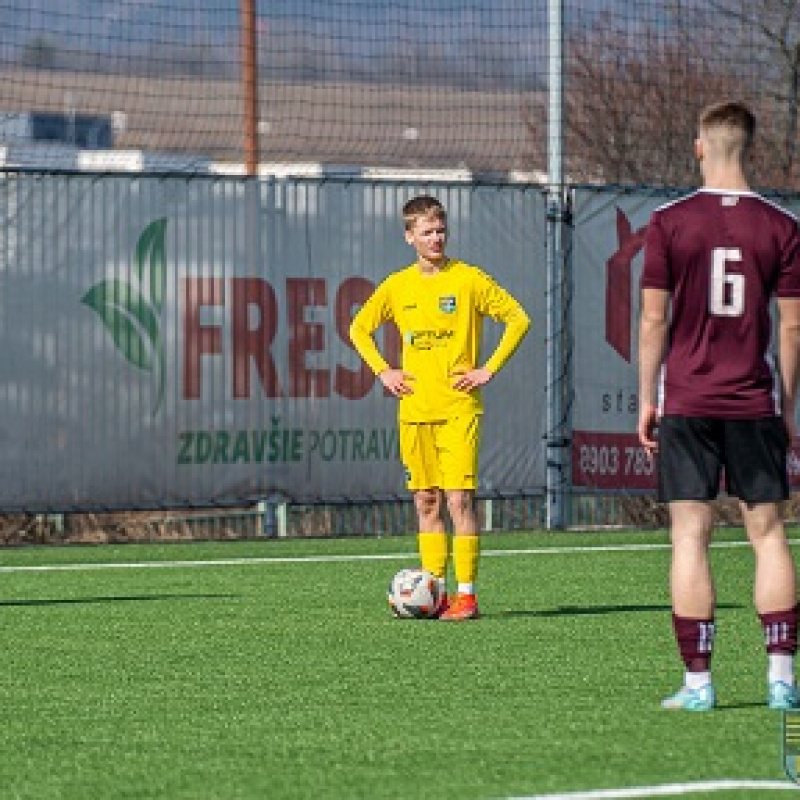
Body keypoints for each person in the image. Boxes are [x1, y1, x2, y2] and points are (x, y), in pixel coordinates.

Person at [638, 100, 800, 710]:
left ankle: (700, 685)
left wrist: (648, 398)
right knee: (768, 533)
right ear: (749, 148)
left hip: (687, 398)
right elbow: (791, 330)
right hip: (754, 401)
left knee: (689, 536)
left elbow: (653, 319)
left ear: (699, 146)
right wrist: (786, 408)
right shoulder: (781, 226)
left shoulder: (670, 221)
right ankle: (781, 679)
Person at [349, 194, 530, 620]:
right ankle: (434, 591)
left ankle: (466, 595)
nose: (436, 238)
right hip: (414, 409)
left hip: (457, 408)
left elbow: (518, 318)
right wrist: (383, 371)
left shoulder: (467, 280)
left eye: (441, 230)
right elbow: (359, 328)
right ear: (409, 236)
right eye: (427, 232)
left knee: (458, 501)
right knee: (426, 501)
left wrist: (489, 368)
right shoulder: (397, 286)